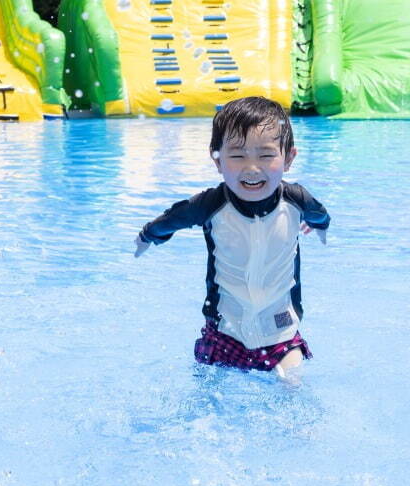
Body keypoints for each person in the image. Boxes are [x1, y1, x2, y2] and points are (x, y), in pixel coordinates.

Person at [134, 96, 330, 378]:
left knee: (292, 381)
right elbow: (173, 218)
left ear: (288, 158)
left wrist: (319, 226)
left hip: (280, 330)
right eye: (237, 155)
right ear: (217, 160)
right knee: (211, 388)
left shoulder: (296, 200)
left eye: (265, 155)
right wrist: (148, 235)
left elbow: (320, 213)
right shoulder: (211, 205)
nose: (251, 167)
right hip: (225, 330)